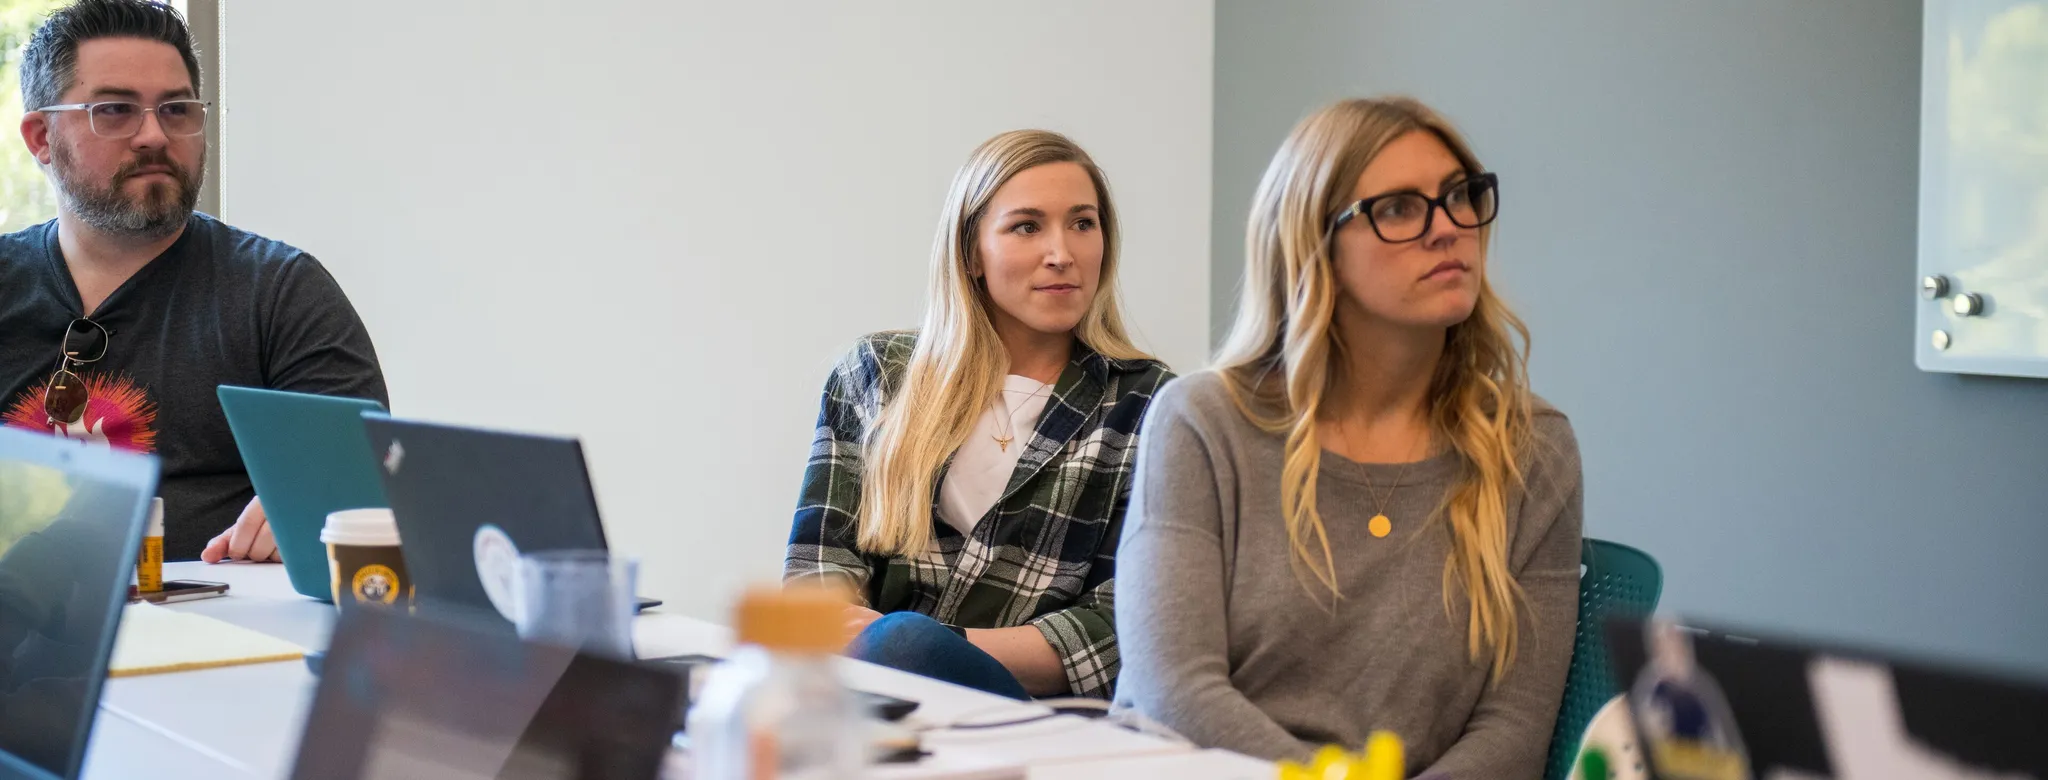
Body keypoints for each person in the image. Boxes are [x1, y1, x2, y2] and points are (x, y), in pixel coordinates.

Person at [1113, 97, 1583, 777]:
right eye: (1397, 208)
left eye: (1459, 196)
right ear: (1313, 244)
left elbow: (1514, 727)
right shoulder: (1201, 422)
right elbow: (1175, 690)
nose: (1447, 228)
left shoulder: (1532, 445)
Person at [784, 129, 1173, 700]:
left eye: (1083, 224)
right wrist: (866, 648)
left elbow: (1121, 624)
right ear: (971, 253)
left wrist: (928, 645)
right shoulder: (877, 372)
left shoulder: (1152, 403)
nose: (1062, 253)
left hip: (1041, 714)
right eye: (1027, 226)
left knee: (905, 644)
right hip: (869, 700)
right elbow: (818, 566)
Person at [0, 0, 386, 564]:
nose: (154, 135)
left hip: (224, 628)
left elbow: (361, 496)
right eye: (114, 110)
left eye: (177, 109)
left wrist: (322, 514)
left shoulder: (279, 291)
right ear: (40, 138)